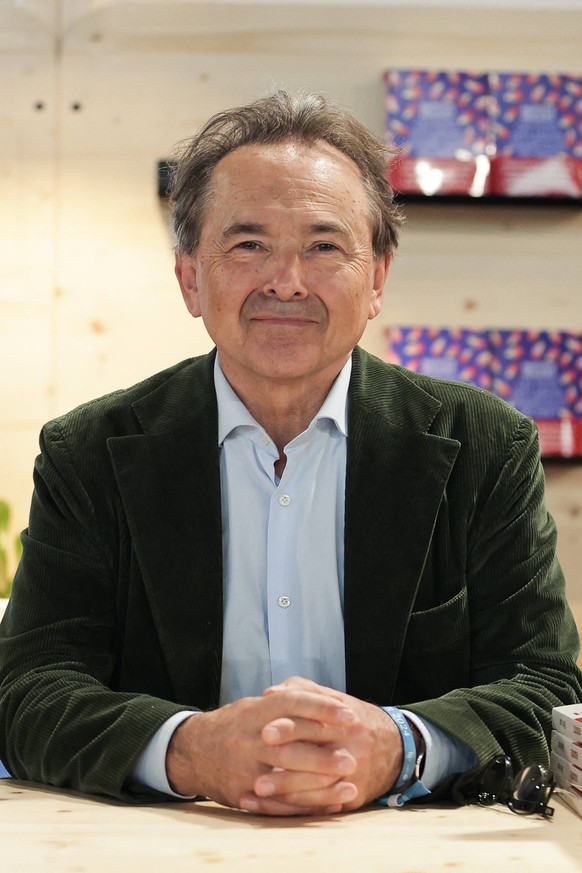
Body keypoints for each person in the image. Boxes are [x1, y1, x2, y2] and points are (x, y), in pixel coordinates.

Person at [0, 91, 580, 817]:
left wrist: (399, 745)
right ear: (189, 278)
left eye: (324, 245)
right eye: (248, 245)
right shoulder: (87, 453)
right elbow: (30, 691)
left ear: (376, 279)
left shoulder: (484, 447)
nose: (286, 281)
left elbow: (545, 688)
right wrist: (191, 749)